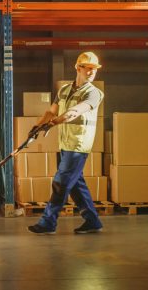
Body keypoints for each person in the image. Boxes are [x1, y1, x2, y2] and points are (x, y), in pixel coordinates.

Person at [28, 51, 104, 235]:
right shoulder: (64, 91)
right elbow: (51, 112)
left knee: (61, 183)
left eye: (95, 69)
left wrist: (51, 125)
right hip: (65, 144)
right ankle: (92, 221)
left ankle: (48, 222)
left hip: (79, 145)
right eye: (88, 69)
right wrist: (36, 127)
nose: (92, 72)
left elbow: (74, 113)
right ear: (78, 68)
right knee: (76, 185)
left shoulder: (94, 93)